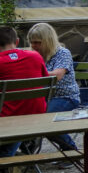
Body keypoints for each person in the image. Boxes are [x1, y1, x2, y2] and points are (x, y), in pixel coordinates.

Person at [27, 23, 79, 151]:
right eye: (32, 42)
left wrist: (32, 74)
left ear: (48, 40)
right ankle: (27, 149)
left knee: (46, 123)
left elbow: (57, 75)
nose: (33, 45)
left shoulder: (62, 53)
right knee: (19, 118)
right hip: (42, 97)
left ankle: (71, 150)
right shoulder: (33, 55)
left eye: (37, 42)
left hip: (65, 97)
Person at [0, 26, 50, 157]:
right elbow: (44, 81)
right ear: (17, 41)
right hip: (37, 116)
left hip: (8, 121)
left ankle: (6, 157)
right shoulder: (35, 56)